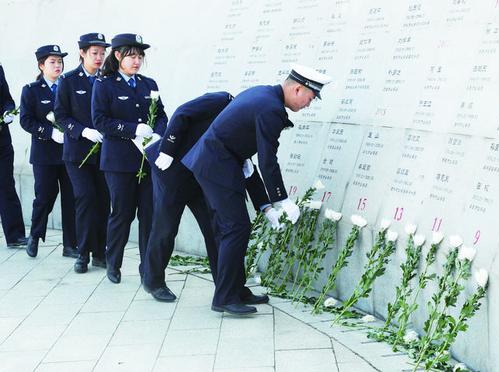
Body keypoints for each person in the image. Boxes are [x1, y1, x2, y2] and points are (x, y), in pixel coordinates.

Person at [183, 64, 331, 315]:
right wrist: (282, 200)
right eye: (310, 97)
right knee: (235, 228)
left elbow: (247, 158)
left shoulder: (263, 94)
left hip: (219, 163)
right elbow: (267, 160)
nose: (309, 104)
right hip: (216, 165)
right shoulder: (270, 108)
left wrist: (265, 205)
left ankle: (236, 290)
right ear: (297, 89)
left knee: (235, 228)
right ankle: (225, 297)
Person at [142, 91, 281, 302]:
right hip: (171, 170)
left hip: (203, 178)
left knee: (218, 232)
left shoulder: (244, 124)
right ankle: (153, 281)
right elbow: (182, 113)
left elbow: (249, 168)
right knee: (166, 228)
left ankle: (231, 289)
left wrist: (265, 206)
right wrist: (168, 149)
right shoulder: (222, 100)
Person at [92, 33, 167, 284]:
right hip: (119, 161)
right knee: (122, 213)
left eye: (140, 56)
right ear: (117, 56)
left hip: (147, 160)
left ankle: (148, 268)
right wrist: (132, 129)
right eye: (131, 56)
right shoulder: (104, 85)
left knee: (149, 214)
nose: (137, 61)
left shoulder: (149, 84)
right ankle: (113, 262)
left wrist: (157, 133)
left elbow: (162, 116)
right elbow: (100, 120)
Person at [54, 33, 111, 273]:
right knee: (85, 198)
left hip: (104, 153)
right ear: (82, 53)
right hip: (77, 154)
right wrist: (82, 131)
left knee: (103, 201)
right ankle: (83, 252)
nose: (99, 57)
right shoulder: (68, 80)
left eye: (102, 53)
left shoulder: (108, 80)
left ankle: (100, 251)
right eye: (94, 53)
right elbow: (60, 114)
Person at [20, 45, 77, 258]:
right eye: (52, 62)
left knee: (72, 198)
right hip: (44, 154)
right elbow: (26, 120)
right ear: (41, 65)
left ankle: (70, 244)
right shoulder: (31, 90)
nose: (58, 65)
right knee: (44, 196)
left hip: (69, 153)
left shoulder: (69, 86)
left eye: (60, 61)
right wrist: (48, 132)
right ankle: (35, 235)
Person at [0, 64, 27, 249]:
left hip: (2, 141)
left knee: (6, 185)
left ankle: (15, 235)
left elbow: (6, 100)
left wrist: (7, 111)